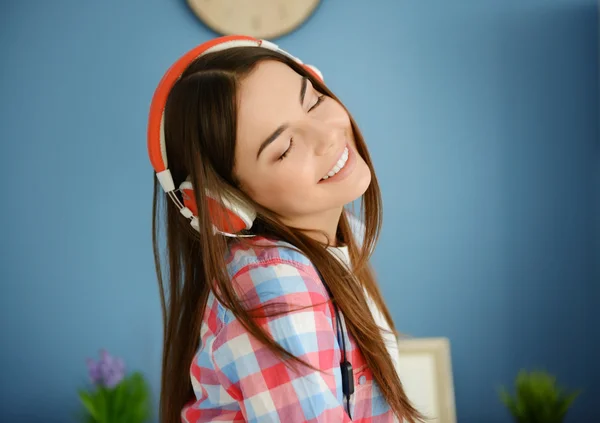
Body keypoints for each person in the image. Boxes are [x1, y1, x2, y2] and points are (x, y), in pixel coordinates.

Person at [147, 35, 422, 423]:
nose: (326, 134)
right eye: (285, 147)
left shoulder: (339, 241)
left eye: (312, 100)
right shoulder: (273, 287)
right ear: (225, 206)